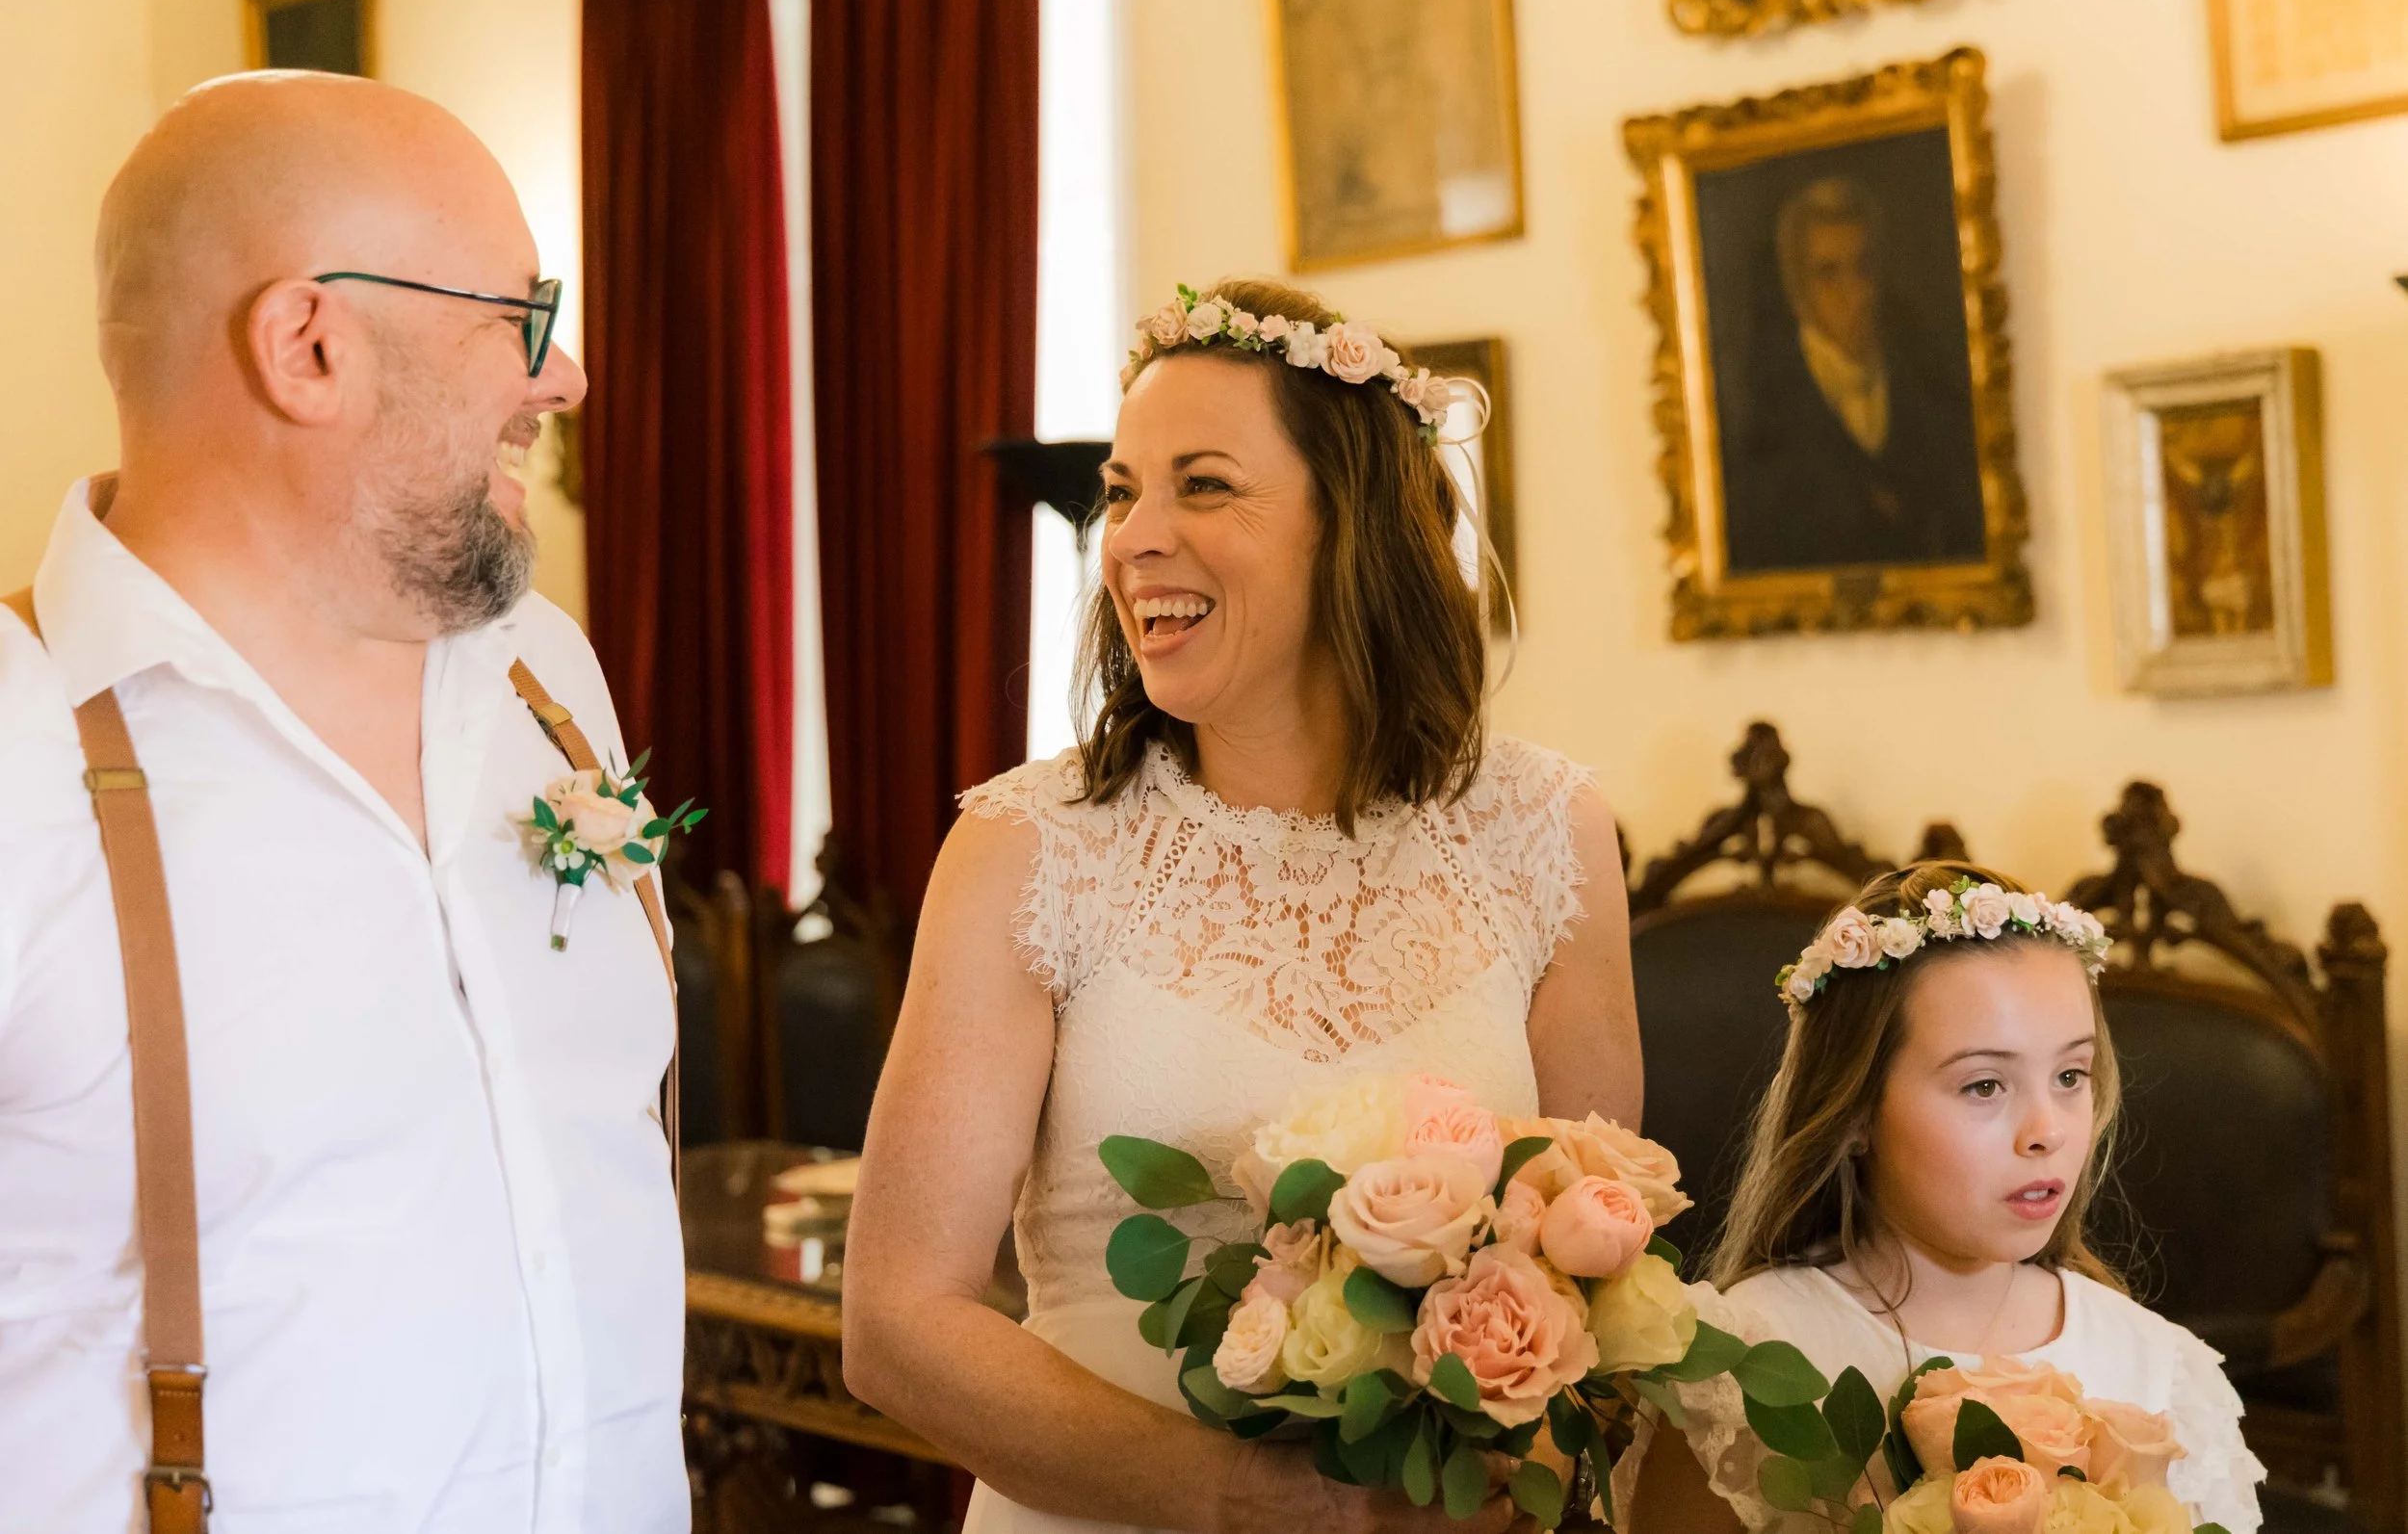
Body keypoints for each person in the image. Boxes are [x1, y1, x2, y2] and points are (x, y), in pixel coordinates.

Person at [841, 277, 1643, 1533]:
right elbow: (897, 1323)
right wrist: (1261, 1501)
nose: (1133, 537)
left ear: (1353, 523)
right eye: (1122, 491)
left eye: (1203, 485)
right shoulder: (1027, 848)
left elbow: (1598, 1279)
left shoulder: (1546, 835)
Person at [0, 73, 688, 1531]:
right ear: (307, 345)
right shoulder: (18, 745)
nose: (564, 378)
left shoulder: (546, 678)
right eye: (522, 318)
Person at [1621, 864, 2264, 1531]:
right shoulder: (1747, 1358)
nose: (2047, 1131)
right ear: (1855, 1109)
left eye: (2071, 1075)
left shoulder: (2160, 1374)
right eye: (1984, 1085)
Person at [1718, 175, 1987, 575]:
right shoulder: (1765, 410)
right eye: (1828, 273)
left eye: (1864, 267)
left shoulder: (1926, 381)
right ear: (1797, 289)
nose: (1856, 292)